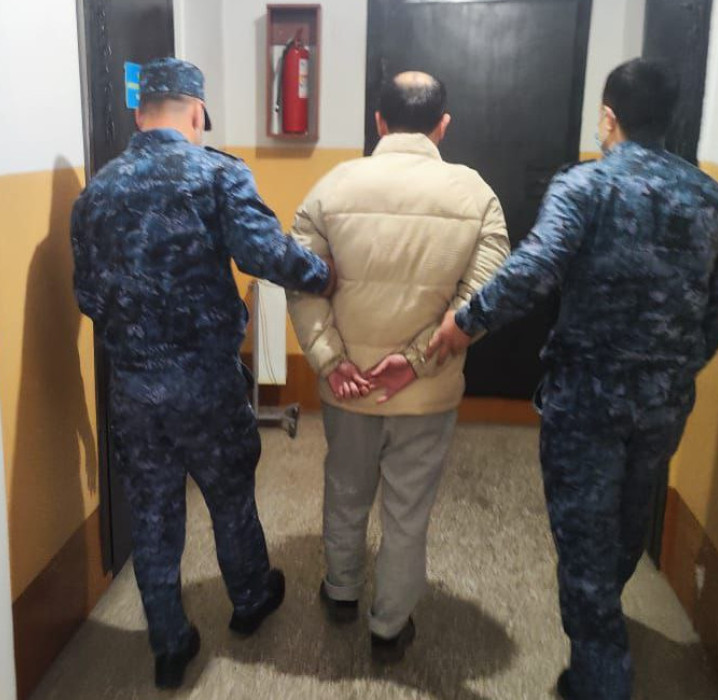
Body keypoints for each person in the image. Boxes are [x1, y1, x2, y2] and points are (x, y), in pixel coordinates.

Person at [427, 59, 718, 699]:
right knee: (627, 521)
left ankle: (600, 677)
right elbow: (715, 314)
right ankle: (602, 616)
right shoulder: (712, 198)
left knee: (583, 535)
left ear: (608, 116)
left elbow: (536, 269)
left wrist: (466, 322)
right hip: (665, 401)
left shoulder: (585, 186)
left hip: (588, 398)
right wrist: (672, 371)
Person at [70, 58, 335, 689]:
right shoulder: (217, 174)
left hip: (133, 385)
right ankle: (250, 599)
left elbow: (87, 296)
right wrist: (325, 277)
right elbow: (264, 253)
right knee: (229, 494)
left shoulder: (94, 194)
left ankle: (169, 642)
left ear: (140, 114)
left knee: (153, 512)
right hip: (205, 380)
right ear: (197, 112)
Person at [286, 71, 511, 663]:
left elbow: (301, 283)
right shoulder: (476, 195)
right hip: (428, 389)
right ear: (443, 126)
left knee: (345, 488)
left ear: (379, 121)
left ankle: (341, 592)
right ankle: (389, 627)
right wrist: (413, 363)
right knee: (408, 512)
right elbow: (484, 296)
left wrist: (331, 361)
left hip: (348, 385)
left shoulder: (331, 187)